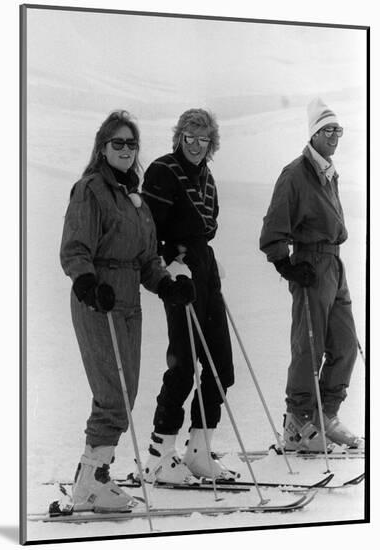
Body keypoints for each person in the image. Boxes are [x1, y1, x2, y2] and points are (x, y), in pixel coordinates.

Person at [59, 110, 195, 512]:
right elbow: (75, 247)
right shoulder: (91, 190)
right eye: (117, 142)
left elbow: (146, 260)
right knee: (112, 394)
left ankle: (95, 474)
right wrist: (86, 283)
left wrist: (168, 284)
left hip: (128, 304)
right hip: (98, 300)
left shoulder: (134, 200)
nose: (124, 149)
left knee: (125, 393)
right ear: (103, 147)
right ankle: (91, 482)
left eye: (131, 143)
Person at [259, 98, 363, 452]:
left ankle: (325, 416)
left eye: (338, 130)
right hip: (311, 266)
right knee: (310, 345)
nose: (334, 136)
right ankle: (298, 423)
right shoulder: (295, 174)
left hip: (334, 264)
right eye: (328, 130)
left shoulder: (329, 172)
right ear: (314, 134)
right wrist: (286, 264)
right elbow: (274, 227)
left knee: (345, 344)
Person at [141, 108, 236, 483]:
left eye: (203, 139)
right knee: (183, 365)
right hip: (178, 272)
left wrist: (206, 264)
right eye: (189, 137)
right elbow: (149, 227)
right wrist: (170, 263)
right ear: (179, 137)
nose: (196, 145)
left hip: (204, 268)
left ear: (212, 143)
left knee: (220, 367)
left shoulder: (207, 178)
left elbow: (206, 227)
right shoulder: (164, 171)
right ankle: (159, 455)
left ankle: (198, 449)